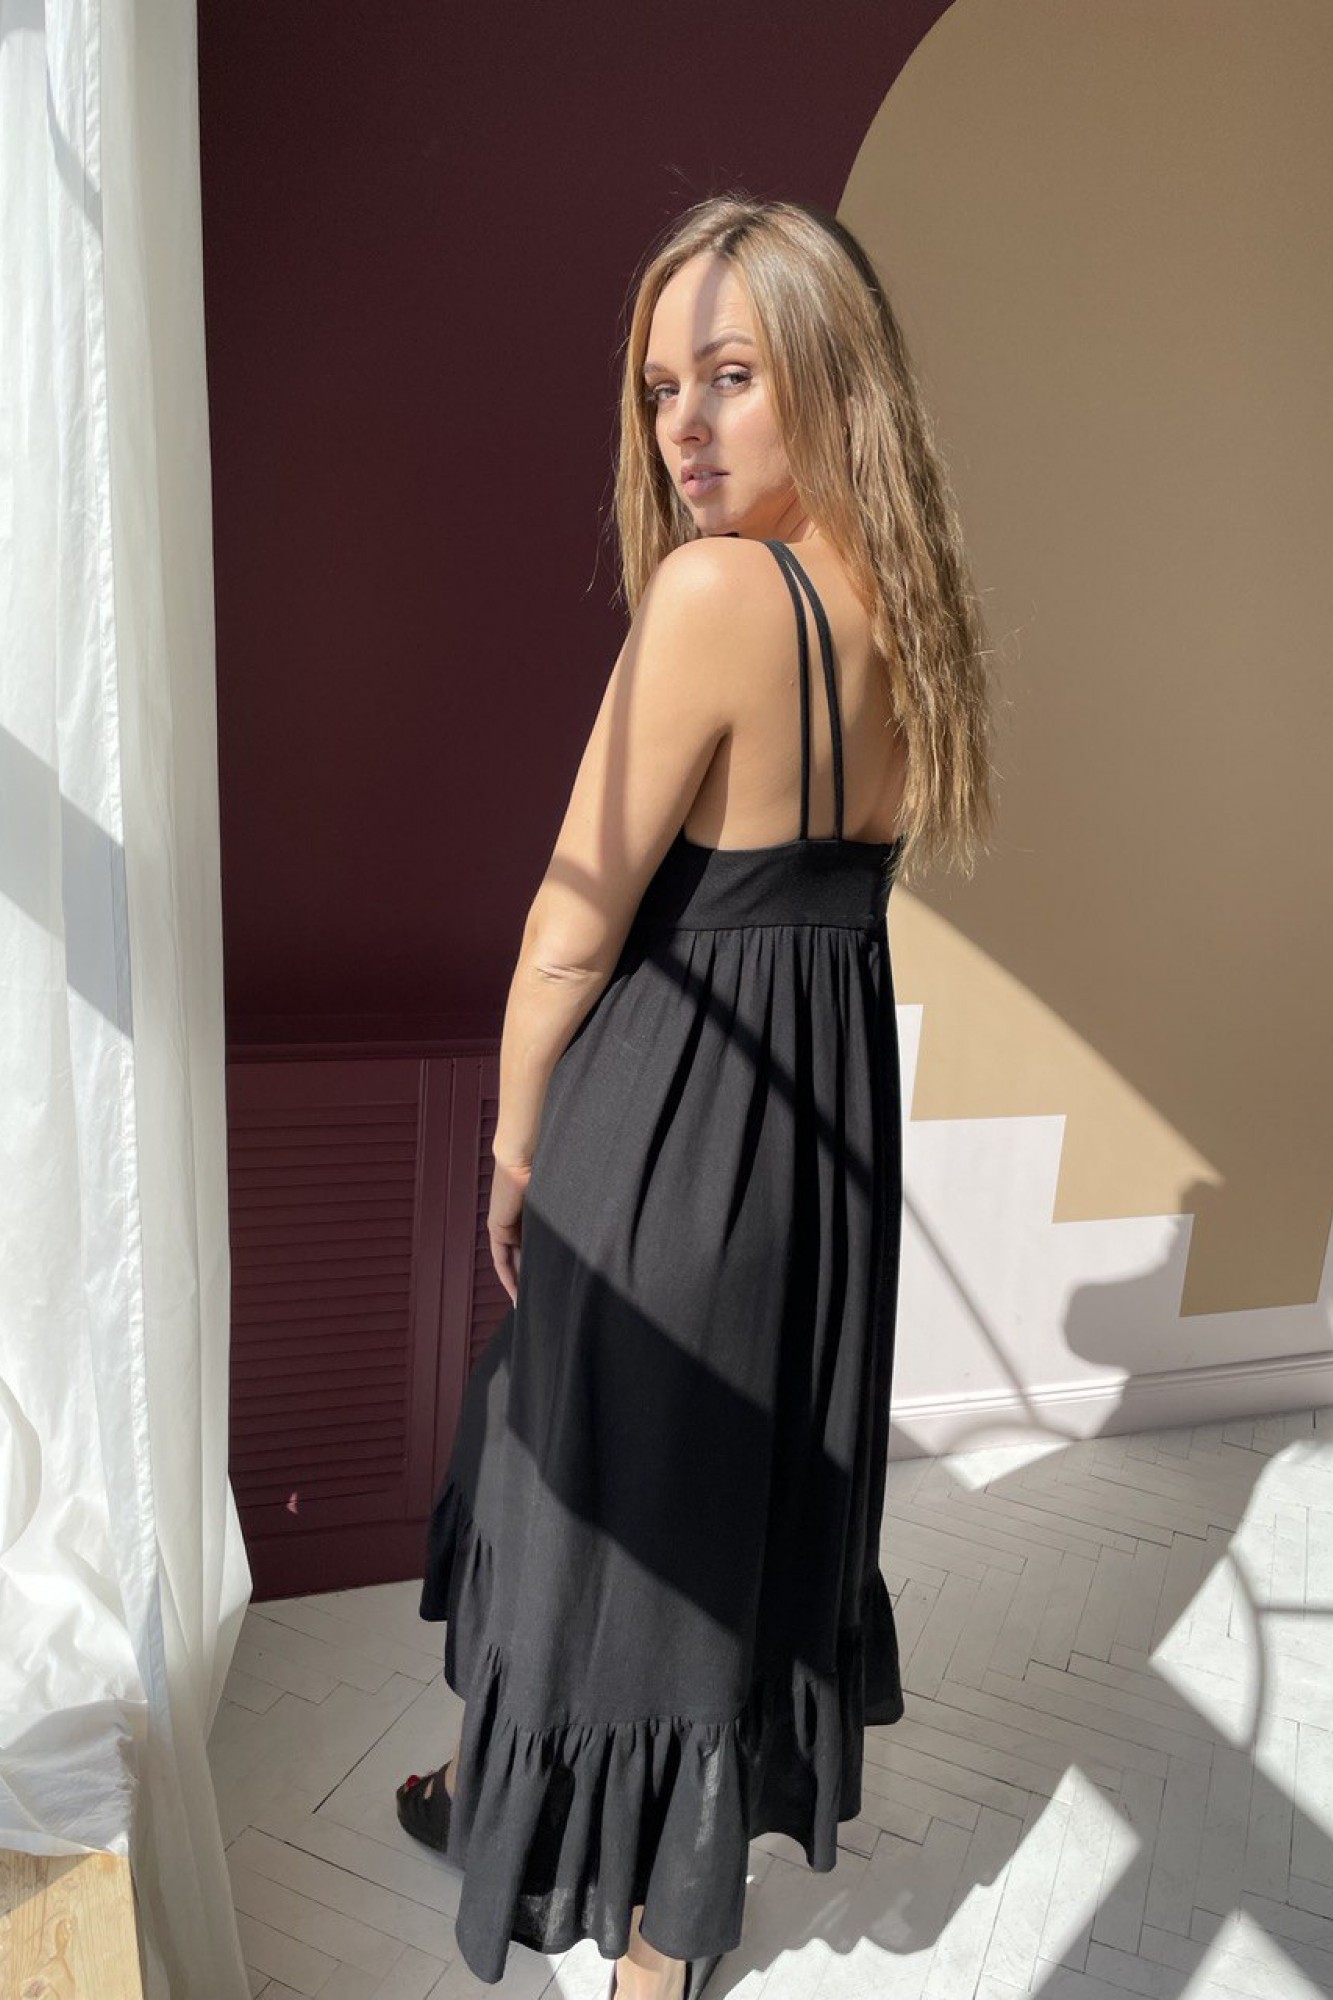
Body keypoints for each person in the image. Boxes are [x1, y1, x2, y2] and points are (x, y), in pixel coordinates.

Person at [396, 193, 996, 1998]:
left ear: (827, 372)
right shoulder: (909, 606)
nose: (681, 425)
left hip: (665, 1120)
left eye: (729, 375)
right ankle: (652, 1928)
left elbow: (570, 925)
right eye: (661, 386)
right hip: (821, 1133)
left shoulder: (717, 592)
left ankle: (590, 1890)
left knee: (581, 1484)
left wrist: (513, 1144)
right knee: (733, 1499)